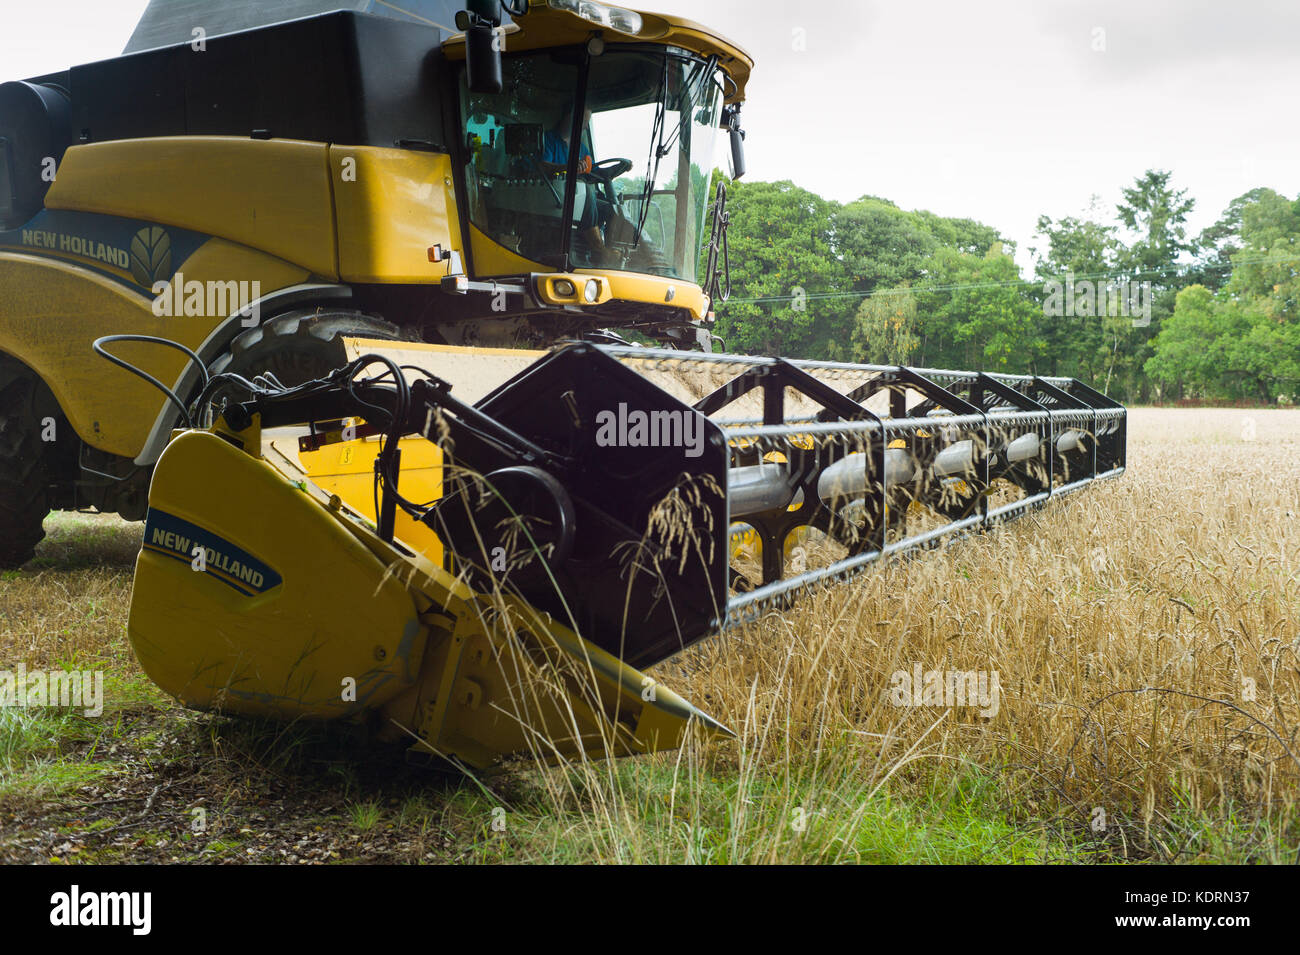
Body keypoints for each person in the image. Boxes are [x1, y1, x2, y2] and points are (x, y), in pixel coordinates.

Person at [542, 105, 614, 265]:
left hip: (579, 197)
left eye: (587, 122)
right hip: (554, 196)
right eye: (584, 121)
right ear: (568, 117)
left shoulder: (581, 148)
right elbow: (542, 166)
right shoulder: (547, 139)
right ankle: (598, 249)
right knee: (586, 190)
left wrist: (614, 169)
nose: (586, 126)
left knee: (612, 209)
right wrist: (569, 167)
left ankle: (618, 257)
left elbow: (594, 172)